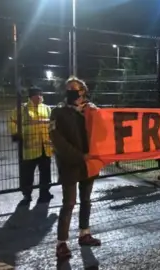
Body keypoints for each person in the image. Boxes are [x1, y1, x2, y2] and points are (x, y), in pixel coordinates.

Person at [49, 76, 101, 260]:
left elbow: (104, 129)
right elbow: (58, 141)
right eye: (69, 89)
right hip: (70, 164)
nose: (72, 92)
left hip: (89, 164)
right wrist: (80, 156)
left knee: (86, 200)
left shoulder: (92, 110)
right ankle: (61, 243)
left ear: (83, 91)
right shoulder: (58, 112)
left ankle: (84, 234)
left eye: (75, 89)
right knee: (69, 203)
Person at [8, 87, 53, 204]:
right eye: (35, 95)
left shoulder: (47, 108)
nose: (38, 97)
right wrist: (16, 135)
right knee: (27, 174)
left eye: (40, 94)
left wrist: (53, 137)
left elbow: (52, 124)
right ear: (30, 97)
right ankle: (27, 195)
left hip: (45, 146)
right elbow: (12, 122)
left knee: (45, 172)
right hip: (29, 148)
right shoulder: (22, 109)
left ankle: (45, 193)